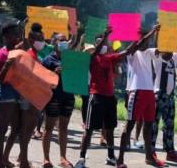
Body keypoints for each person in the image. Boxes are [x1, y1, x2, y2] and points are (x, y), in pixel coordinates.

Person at [74, 28, 137, 168]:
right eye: (99, 43)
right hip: (96, 96)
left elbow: (126, 52)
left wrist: (137, 39)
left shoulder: (110, 58)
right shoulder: (91, 58)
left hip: (109, 97)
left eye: (104, 43)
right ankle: (82, 159)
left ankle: (110, 157)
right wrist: (105, 36)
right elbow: (96, 51)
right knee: (89, 129)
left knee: (109, 129)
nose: (102, 45)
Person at [117, 26, 165, 168]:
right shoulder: (132, 53)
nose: (147, 42)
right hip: (136, 92)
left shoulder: (150, 52)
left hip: (149, 92)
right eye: (143, 38)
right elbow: (139, 43)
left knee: (149, 125)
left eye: (147, 39)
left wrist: (166, 35)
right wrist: (152, 31)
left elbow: (162, 51)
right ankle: (120, 159)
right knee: (130, 125)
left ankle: (149, 157)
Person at [151, 38, 177, 164]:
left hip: (170, 96)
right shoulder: (157, 58)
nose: (173, 50)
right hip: (158, 95)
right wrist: (159, 33)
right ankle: (151, 152)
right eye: (169, 48)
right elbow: (158, 44)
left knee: (169, 125)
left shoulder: (174, 59)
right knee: (154, 124)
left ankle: (170, 152)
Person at [41, 33, 75, 168]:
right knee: (48, 128)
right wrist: (54, 72)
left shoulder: (72, 58)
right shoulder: (48, 60)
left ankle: (63, 158)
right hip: (53, 97)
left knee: (63, 128)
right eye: (61, 40)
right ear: (54, 43)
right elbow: (42, 79)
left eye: (65, 40)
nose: (64, 43)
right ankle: (46, 159)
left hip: (68, 97)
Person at [0, 22, 21, 168]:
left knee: (16, 128)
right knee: (2, 129)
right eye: (14, 34)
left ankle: (4, 158)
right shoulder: (3, 53)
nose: (17, 36)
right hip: (5, 94)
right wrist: (8, 64)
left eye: (17, 33)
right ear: (5, 37)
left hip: (16, 93)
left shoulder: (18, 50)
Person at [18, 23, 46, 168]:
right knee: (26, 128)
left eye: (43, 38)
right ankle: (23, 160)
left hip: (34, 96)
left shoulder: (36, 55)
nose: (42, 41)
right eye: (39, 38)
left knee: (29, 128)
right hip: (28, 96)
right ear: (31, 39)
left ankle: (21, 157)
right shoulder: (29, 54)